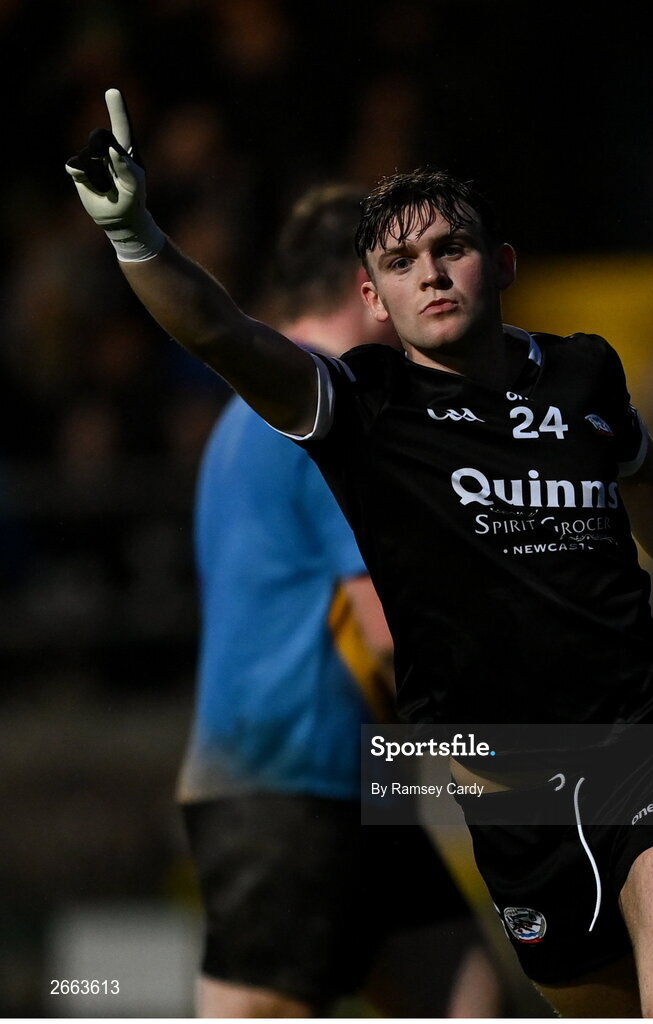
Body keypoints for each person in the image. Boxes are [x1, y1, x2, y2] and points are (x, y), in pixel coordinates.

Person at [67, 90, 653, 1018]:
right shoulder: (363, 409)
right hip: (510, 799)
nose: (429, 274)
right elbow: (220, 333)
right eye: (399, 262)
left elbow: (646, 474)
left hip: (652, 744)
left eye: (450, 248)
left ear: (501, 264)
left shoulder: (583, 371)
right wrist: (135, 234)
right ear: (372, 298)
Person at [167, 183, 506, 1018]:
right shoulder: (326, 409)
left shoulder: (252, 411)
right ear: (368, 288)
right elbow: (389, 629)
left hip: (320, 783)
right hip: (292, 786)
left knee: (463, 996)